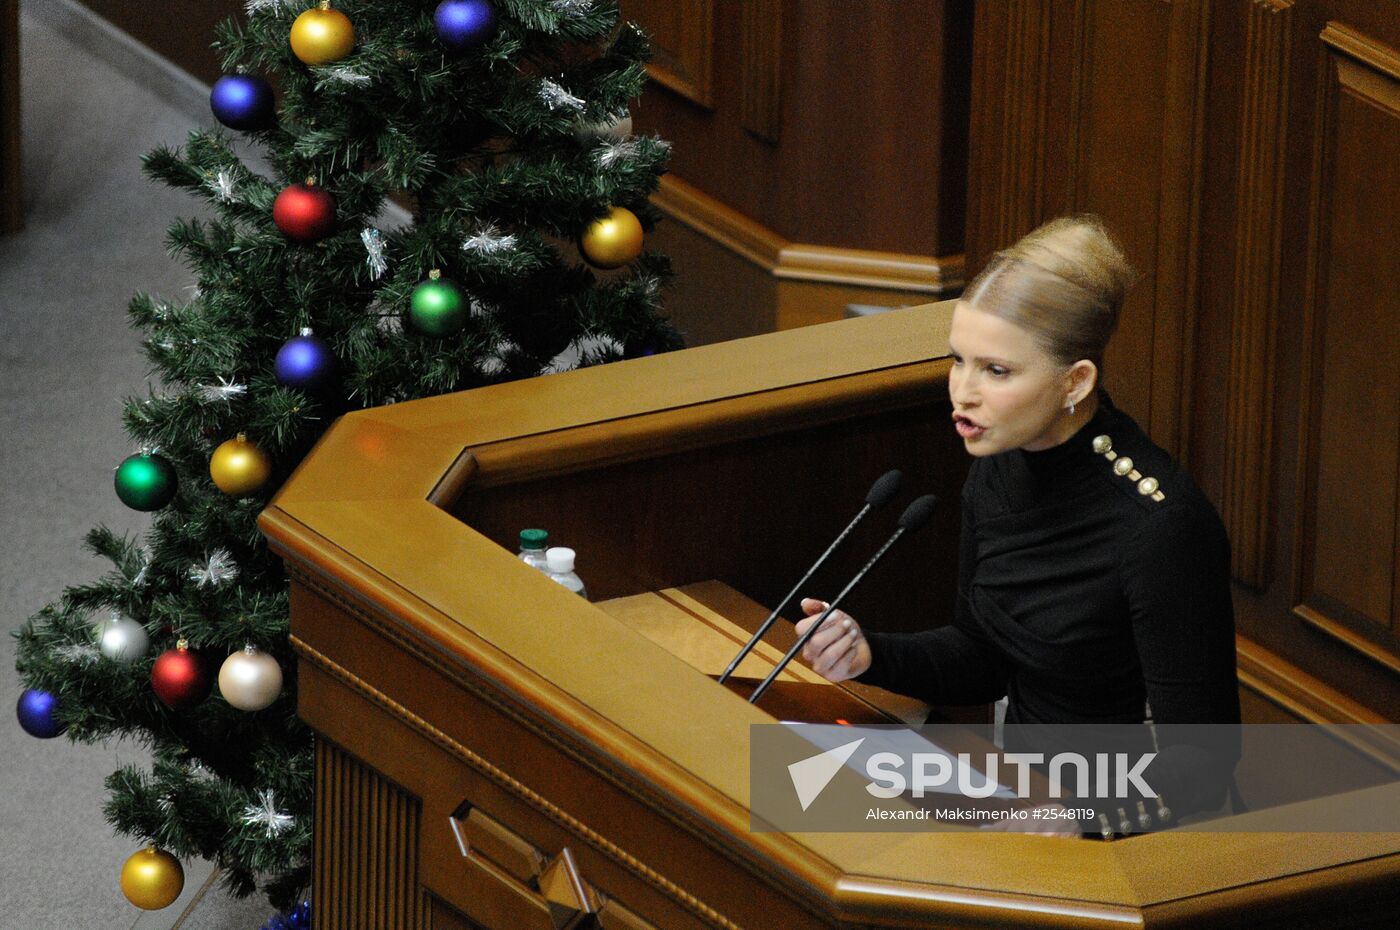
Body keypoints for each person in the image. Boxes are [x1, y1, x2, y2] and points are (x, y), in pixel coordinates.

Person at [796, 215, 1241, 837]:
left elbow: (1204, 766)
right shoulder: (1000, 465)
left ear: (1075, 382)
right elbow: (984, 655)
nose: (962, 393)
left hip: (1131, 836)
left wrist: (1075, 816)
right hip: (1020, 791)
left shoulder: (1162, 528)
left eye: (996, 371)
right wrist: (870, 654)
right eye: (959, 361)